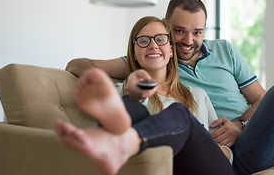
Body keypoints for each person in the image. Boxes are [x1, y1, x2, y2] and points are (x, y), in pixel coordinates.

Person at [65, 0, 274, 174]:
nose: (188, 40)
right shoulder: (154, 54)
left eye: (197, 32)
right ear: (166, 26)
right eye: (179, 31)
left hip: (257, 133)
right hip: (233, 154)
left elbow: (259, 98)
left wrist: (241, 124)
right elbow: (79, 64)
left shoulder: (223, 52)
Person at [56, 16, 235, 175]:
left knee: (180, 113)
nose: (153, 45)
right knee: (132, 106)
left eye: (160, 39)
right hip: (165, 167)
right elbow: (74, 65)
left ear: (171, 50)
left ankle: (125, 142)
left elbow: (222, 148)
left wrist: (217, 149)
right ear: (133, 52)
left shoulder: (197, 95)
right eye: (143, 41)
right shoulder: (123, 91)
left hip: (208, 168)